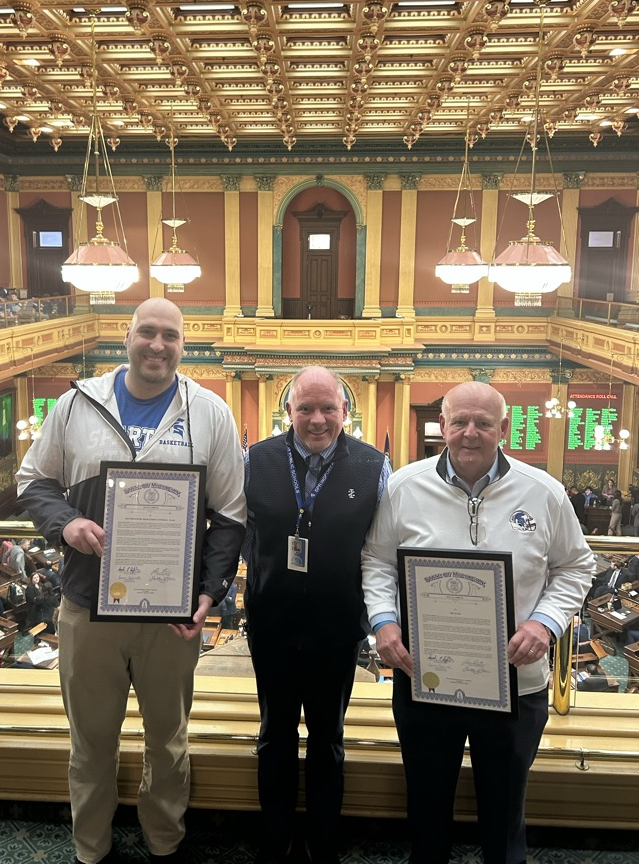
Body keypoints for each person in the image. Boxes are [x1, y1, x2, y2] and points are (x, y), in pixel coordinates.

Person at [16, 296, 246, 864]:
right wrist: (65, 522)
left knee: (167, 741)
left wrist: (209, 593)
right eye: (148, 332)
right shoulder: (76, 405)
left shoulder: (209, 412)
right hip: (88, 607)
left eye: (171, 335)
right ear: (128, 335)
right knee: (91, 739)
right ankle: (90, 847)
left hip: (170, 616)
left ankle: (164, 841)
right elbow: (32, 481)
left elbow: (231, 515)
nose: (158, 345)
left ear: (183, 344)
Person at [362, 380, 594, 864]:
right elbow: (377, 560)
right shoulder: (405, 486)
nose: (471, 433)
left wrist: (545, 623)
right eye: (460, 421)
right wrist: (384, 622)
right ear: (441, 425)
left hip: (517, 680)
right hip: (424, 677)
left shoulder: (544, 492)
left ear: (503, 429)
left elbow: (577, 566)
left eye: (484, 423)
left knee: (504, 813)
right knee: (426, 812)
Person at [244, 366, 390, 864]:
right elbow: (240, 530)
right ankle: (276, 837)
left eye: (329, 407)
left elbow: (382, 548)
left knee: (328, 739)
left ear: (346, 412)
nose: (317, 418)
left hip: (336, 632)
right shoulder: (256, 460)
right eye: (305, 407)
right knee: (274, 736)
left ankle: (323, 841)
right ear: (288, 412)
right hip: (272, 629)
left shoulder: (375, 467)